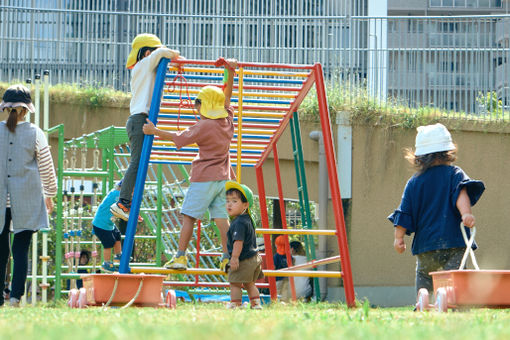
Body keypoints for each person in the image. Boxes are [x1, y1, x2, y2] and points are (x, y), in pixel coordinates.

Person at [143, 58, 238, 270]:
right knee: (222, 220)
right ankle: (226, 257)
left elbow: (179, 138)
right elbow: (228, 97)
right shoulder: (227, 121)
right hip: (223, 179)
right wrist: (230, 71)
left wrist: (154, 131)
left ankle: (180, 256)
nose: (196, 108)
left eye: (199, 104)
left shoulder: (204, 126)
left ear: (205, 106)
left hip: (204, 178)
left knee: (188, 216)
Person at [388, 123, 485, 296]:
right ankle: (455, 305)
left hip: (426, 246)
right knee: (455, 278)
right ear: (448, 152)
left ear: (419, 157)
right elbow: (461, 194)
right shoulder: (455, 173)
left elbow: (404, 211)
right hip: (454, 242)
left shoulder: (414, 182)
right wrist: (466, 214)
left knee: (424, 277)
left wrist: (398, 238)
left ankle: (422, 302)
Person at [110, 33, 180, 222]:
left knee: (140, 161)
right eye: (155, 52)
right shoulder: (146, 63)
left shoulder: (143, 68)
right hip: (139, 120)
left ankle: (124, 185)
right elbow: (165, 53)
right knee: (138, 161)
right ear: (148, 52)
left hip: (138, 119)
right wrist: (175, 55)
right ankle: (122, 201)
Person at [0, 84, 57, 307]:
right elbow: (46, 167)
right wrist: (50, 194)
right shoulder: (36, 133)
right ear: (26, 109)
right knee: (21, 250)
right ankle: (15, 298)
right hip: (27, 198)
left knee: (1, 251)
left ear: (6, 108)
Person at [224, 181, 263, 309]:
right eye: (228, 200)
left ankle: (235, 304)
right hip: (254, 258)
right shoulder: (247, 219)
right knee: (250, 284)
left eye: (234, 201)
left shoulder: (239, 222)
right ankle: (256, 304)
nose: (229, 204)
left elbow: (238, 242)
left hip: (243, 259)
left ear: (245, 205)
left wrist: (234, 258)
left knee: (235, 283)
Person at [94, 180, 127, 272]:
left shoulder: (117, 194)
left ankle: (118, 255)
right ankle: (107, 263)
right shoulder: (117, 195)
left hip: (108, 224)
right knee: (108, 243)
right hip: (101, 224)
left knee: (117, 235)